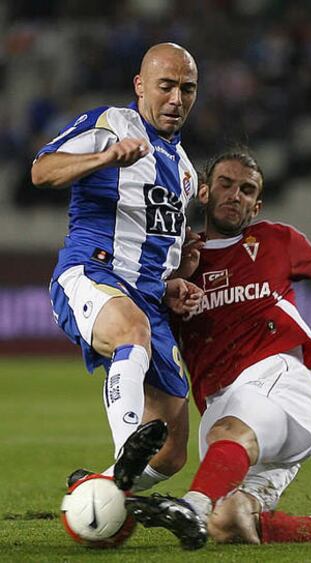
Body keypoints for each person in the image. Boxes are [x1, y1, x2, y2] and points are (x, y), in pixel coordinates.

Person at [126, 149, 311, 548]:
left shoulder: (276, 240)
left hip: (278, 382)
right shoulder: (174, 261)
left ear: (256, 205)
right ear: (204, 193)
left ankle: (190, 504)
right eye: (226, 184)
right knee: (227, 522)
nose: (235, 194)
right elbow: (143, 322)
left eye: (247, 190)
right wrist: (172, 285)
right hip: (221, 410)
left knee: (226, 447)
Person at [31, 43, 204, 504]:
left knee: (171, 450)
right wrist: (104, 159)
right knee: (132, 330)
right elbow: (41, 171)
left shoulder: (185, 171)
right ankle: (126, 446)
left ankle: (103, 494)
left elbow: (157, 249)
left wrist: (173, 284)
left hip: (147, 300)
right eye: (166, 86)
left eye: (187, 89)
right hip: (90, 272)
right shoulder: (110, 124)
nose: (176, 99)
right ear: (140, 85)